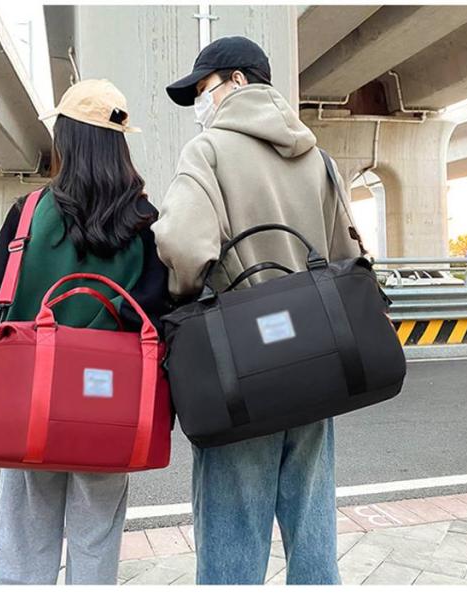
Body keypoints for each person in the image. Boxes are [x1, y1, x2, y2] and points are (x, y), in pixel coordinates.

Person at [152, 36, 361, 585]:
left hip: (242, 363)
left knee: (233, 535)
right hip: (317, 361)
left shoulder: (209, 150)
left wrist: (183, 292)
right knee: (313, 528)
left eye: (204, 88)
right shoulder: (317, 158)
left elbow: (184, 245)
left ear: (238, 81)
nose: (200, 102)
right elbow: (348, 258)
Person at [0, 79, 171, 585]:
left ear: (65, 138)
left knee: (25, 546)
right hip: (109, 408)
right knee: (96, 542)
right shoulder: (142, 223)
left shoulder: (29, 213)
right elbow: (157, 316)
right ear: (119, 144)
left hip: (32, 400)